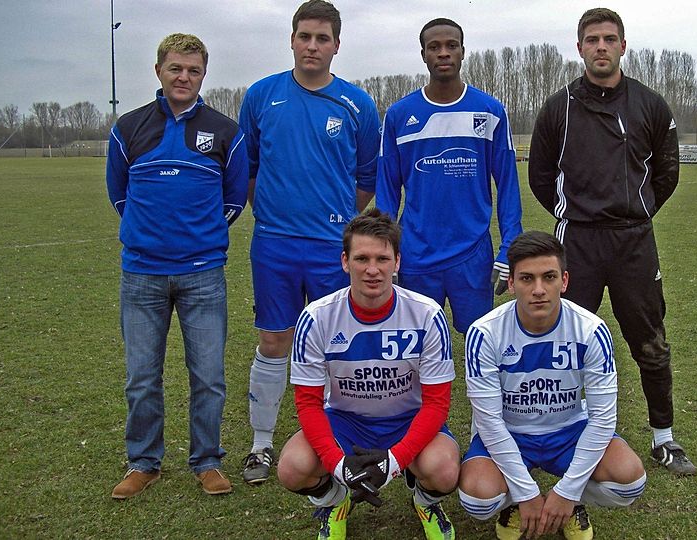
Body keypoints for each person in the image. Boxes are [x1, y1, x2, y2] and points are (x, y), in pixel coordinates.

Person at [527, 7, 697, 476]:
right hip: (576, 242)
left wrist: (631, 215)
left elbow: (666, 174)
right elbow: (541, 177)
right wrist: (578, 213)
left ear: (623, 46)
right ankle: (552, 429)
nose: (600, 46)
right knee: (562, 338)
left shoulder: (651, 105)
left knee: (649, 340)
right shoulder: (557, 107)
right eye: (591, 39)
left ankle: (663, 438)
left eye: (609, 39)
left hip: (633, 244)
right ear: (579, 47)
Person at [238, 0, 382, 485]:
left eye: (323, 38)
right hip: (275, 244)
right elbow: (248, 170)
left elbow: (366, 179)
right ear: (292, 40)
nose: (313, 46)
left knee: (331, 347)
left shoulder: (357, 104)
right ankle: (261, 446)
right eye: (305, 36)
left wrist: (337, 217)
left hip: (329, 247)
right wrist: (275, 212)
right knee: (275, 340)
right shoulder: (261, 96)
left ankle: (330, 441)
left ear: (336, 45)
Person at [105, 33, 248, 499]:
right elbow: (119, 194)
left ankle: (207, 460)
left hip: (203, 274)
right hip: (141, 275)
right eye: (175, 68)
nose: (183, 77)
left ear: (203, 75)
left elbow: (234, 198)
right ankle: (143, 462)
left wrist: (197, 239)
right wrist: (152, 235)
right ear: (159, 71)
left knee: (208, 375)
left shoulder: (225, 130)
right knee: (142, 377)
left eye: (193, 70)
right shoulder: (128, 127)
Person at [276, 208, 459, 540]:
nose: (372, 269)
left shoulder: (427, 315)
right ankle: (336, 500)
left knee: (444, 470)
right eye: (361, 258)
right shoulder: (316, 318)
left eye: (382, 258)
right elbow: (308, 404)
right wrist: (336, 465)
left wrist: (394, 461)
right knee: (292, 468)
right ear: (345, 262)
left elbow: (436, 404)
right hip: (345, 422)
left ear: (397, 262)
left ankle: (425, 500)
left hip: (408, 419)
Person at [458, 231, 647, 540]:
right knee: (478, 500)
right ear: (511, 283)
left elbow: (602, 418)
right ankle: (517, 504)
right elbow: (489, 421)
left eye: (549, 277)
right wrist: (526, 492)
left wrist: (568, 492)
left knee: (629, 481)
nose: (539, 290)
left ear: (565, 281)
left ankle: (570, 504)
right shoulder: (485, 333)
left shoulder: (591, 330)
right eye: (527, 279)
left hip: (569, 431)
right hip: (510, 432)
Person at [376, 17, 523, 336]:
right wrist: (385, 249)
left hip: (472, 254)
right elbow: (387, 190)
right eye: (434, 47)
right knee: (414, 343)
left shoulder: (490, 110)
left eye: (451, 45)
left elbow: (508, 185)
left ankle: (481, 388)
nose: (443, 53)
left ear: (463, 51)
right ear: (423, 54)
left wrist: (509, 244)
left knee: (479, 342)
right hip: (416, 252)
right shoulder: (400, 115)